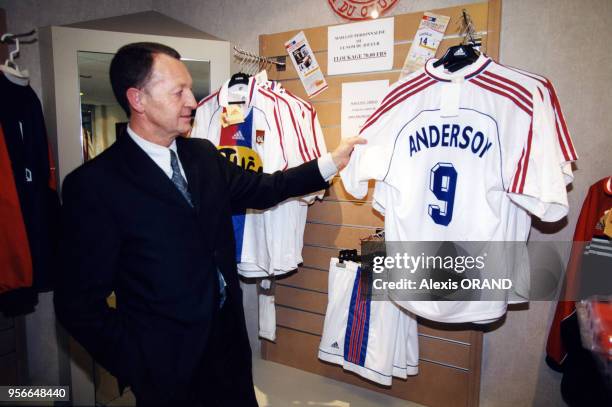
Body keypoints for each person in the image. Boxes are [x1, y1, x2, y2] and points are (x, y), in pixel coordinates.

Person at [53, 42, 364, 406]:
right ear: (137, 99)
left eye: (190, 88)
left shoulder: (202, 155)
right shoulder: (95, 184)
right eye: (178, 91)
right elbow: (77, 305)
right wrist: (137, 360)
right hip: (166, 364)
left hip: (228, 345)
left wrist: (331, 163)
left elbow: (266, 188)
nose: (191, 101)